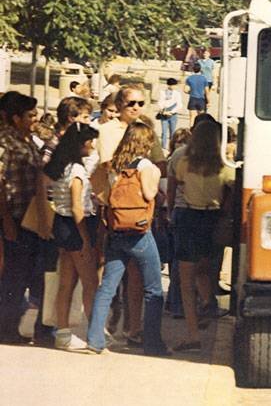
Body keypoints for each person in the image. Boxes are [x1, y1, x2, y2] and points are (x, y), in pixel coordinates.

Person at [86, 121, 170, 356]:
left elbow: (103, 195)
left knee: (107, 288)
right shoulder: (146, 166)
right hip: (140, 233)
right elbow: (149, 194)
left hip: (116, 232)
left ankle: (94, 339)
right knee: (153, 290)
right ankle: (153, 344)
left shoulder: (114, 166)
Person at [171, 119, 234, 351]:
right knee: (205, 270)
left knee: (186, 281)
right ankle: (208, 302)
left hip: (189, 218)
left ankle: (192, 335)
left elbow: (178, 184)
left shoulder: (185, 162)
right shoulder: (224, 166)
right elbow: (234, 188)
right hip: (213, 219)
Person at [44, 123, 100, 350]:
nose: (92, 145)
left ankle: (63, 332)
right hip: (76, 226)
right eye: (90, 141)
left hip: (61, 224)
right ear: (80, 144)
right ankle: (94, 332)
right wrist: (86, 239)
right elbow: (78, 208)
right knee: (89, 282)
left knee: (66, 282)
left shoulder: (61, 167)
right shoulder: (76, 171)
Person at [0, 93, 42, 344]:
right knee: (12, 277)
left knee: (22, 274)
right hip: (13, 217)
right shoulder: (5, 142)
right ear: (16, 117)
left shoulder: (28, 140)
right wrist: (5, 220)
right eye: (30, 115)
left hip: (30, 217)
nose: (35, 119)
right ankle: (6, 329)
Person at [164, 127, 191, 319]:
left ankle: (174, 302)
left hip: (179, 210)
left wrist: (170, 210)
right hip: (185, 210)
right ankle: (178, 303)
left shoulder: (175, 157)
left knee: (178, 261)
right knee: (182, 262)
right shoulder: (187, 156)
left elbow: (172, 188)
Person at [158, 77, 182, 149]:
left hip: (173, 114)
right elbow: (160, 102)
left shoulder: (177, 93)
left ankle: (171, 147)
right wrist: (163, 110)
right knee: (164, 132)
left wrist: (172, 112)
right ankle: (163, 147)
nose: (174, 87)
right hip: (164, 113)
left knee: (172, 132)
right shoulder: (162, 92)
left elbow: (179, 104)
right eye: (173, 85)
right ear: (169, 85)